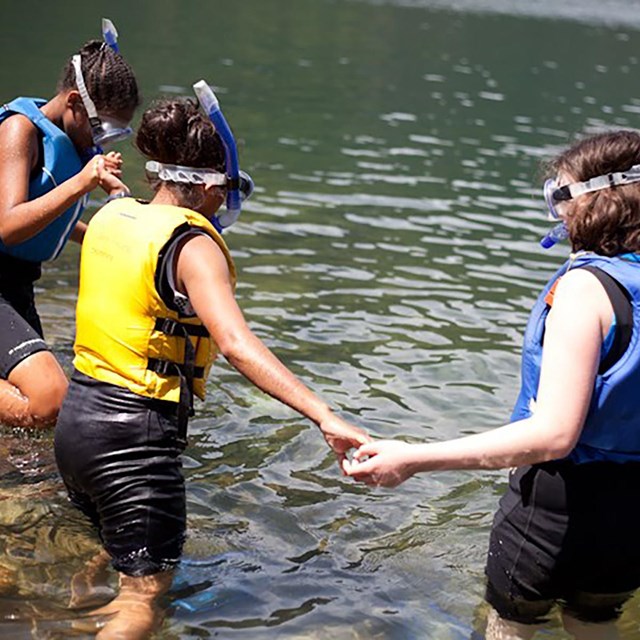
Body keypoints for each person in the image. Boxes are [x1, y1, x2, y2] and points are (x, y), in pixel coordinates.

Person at [54, 89, 369, 639]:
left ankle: (65, 621)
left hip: (77, 426)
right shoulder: (191, 246)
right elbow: (238, 345)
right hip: (135, 444)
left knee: (107, 557)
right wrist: (324, 414)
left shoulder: (112, 215)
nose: (226, 201)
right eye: (226, 186)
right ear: (204, 184)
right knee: (143, 600)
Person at [344, 130, 640, 640]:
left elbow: (553, 436)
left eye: (560, 196)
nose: (558, 215)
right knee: (594, 619)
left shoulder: (587, 289)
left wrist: (413, 457)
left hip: (555, 513)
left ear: (595, 202)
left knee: (512, 624)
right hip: (632, 517)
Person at [0, 22, 139, 429]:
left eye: (117, 133)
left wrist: (102, 235)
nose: (105, 141)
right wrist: (83, 181)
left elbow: (49, 220)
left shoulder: (73, 144)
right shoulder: (18, 130)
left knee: (64, 408)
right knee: (51, 402)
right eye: (103, 128)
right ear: (75, 101)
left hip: (15, 285)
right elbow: (8, 225)